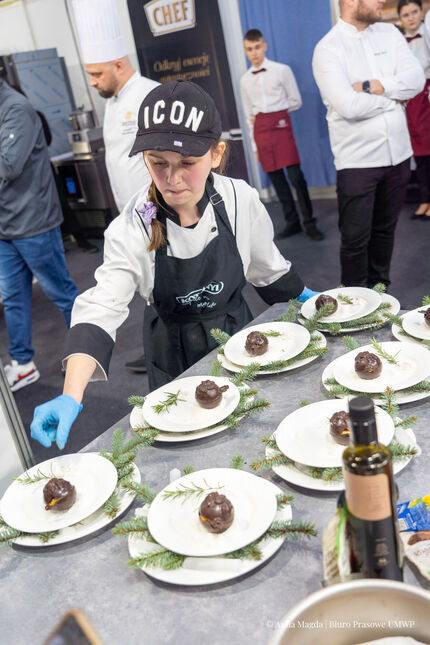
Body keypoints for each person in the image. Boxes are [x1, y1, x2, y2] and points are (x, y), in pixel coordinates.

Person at [30, 80, 317, 450]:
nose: (172, 179)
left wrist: (313, 302)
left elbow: (267, 271)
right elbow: (101, 309)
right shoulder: (133, 224)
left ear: (216, 153)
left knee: (250, 436)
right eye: (158, 163)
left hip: (237, 340)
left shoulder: (238, 200)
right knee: (188, 445)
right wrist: (71, 395)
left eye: (188, 163)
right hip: (172, 351)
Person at [72, 0, 159, 372]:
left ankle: (170, 347)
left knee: (166, 281)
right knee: (147, 284)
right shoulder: (113, 99)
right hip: (131, 214)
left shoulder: (150, 95)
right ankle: (159, 345)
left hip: (156, 211)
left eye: (96, 73)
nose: (92, 82)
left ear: (119, 65)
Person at [312, 0, 424, 288]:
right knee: (355, 240)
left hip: (398, 155)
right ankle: (354, 305)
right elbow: (348, 105)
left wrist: (375, 85)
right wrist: (393, 100)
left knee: (386, 232)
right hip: (358, 162)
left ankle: (381, 294)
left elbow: (415, 81)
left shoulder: (390, 34)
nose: (382, 2)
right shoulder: (328, 49)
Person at [0, 79, 79, 391]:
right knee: (13, 297)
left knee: (61, 291)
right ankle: (22, 364)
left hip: (34, 222)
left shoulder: (15, 108)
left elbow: (8, 165)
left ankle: (87, 351)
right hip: (6, 225)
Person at [240, 28, 324, 241]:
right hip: (260, 130)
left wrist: (277, 112)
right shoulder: (245, 80)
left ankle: (309, 223)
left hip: (280, 124)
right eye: (249, 49)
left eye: (257, 47)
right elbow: (249, 114)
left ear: (264, 46)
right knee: (277, 180)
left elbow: (296, 100)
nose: (254, 52)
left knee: (296, 177)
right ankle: (292, 222)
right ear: (245, 51)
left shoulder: (281, 70)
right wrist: (255, 147)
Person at [398, 0, 430, 220]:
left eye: (414, 12)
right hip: (411, 101)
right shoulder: (397, 42)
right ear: (400, 19)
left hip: (428, 96)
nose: (411, 17)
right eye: (406, 14)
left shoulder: (428, 34)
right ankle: (425, 199)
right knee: (419, 156)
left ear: (422, 12)